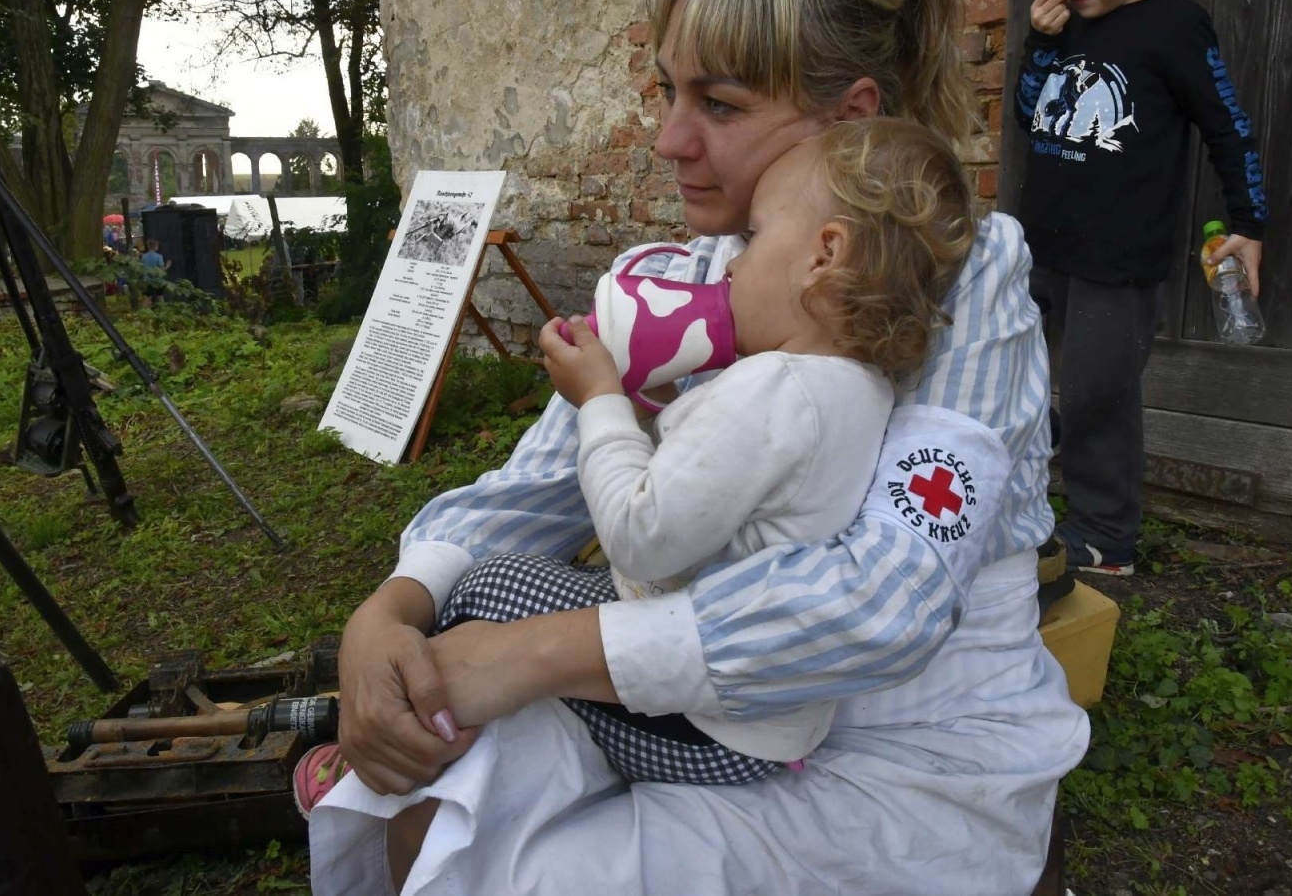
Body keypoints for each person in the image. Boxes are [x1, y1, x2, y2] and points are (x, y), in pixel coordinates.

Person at [314, 0, 1089, 896]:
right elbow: (540, 484)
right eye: (668, 92)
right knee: (427, 812)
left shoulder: (965, 283)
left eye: (718, 105)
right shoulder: (686, 277)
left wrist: (534, 653)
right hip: (684, 713)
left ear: (850, 117)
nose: (669, 139)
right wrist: (389, 611)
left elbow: (887, 599)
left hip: (902, 756)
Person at [403, 120, 977, 791]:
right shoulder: (862, 389)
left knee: (487, 589)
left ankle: (415, 750)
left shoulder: (773, 389)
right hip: (769, 714)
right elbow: (724, 494)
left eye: (754, 238)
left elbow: (639, 535)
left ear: (824, 255)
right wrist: (655, 412)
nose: (730, 265)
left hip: (701, 724)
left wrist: (599, 400)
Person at [1013, 0, 1267, 577]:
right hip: (1042, 245)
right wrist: (1039, 44)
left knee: (1099, 394)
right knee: (1012, 372)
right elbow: (1032, 117)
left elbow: (1228, 126)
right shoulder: (1065, 28)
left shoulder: (1174, 25)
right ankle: (1022, 495)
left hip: (1118, 255)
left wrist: (1249, 223)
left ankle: (1105, 537)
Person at [140, 238, 169, 305]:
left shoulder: (143, 256)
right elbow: (161, 270)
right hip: (158, 281)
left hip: (147, 280)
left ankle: (143, 310)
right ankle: (163, 309)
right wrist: (167, 266)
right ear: (155, 246)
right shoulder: (159, 256)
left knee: (148, 297)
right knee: (160, 297)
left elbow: (141, 267)